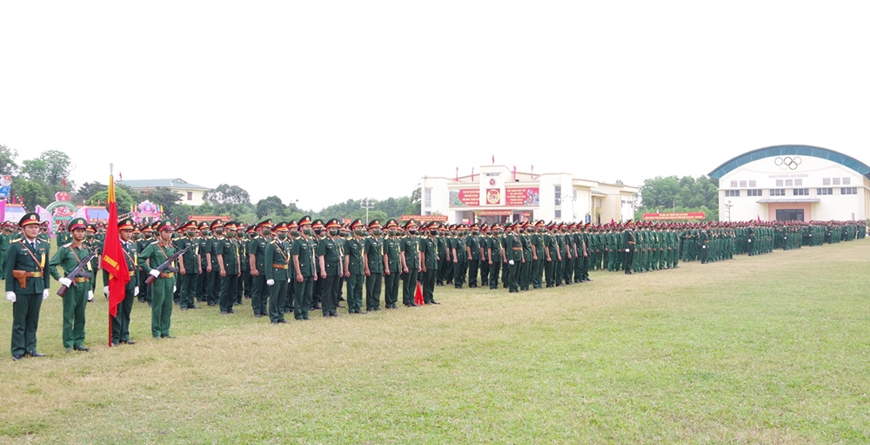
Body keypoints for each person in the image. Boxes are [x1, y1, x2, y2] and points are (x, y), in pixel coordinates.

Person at [6, 213, 51, 360]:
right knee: (20, 320)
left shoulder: (43, 245)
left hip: (37, 286)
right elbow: (9, 269)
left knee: (33, 319)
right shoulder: (15, 246)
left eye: (36, 227)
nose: (34, 230)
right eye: (30, 227)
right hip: (21, 287)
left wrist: (46, 286)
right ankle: (18, 350)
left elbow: (46, 267)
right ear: (23, 229)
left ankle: (31, 348)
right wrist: (9, 290)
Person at [48, 217, 94, 352]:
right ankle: (68, 343)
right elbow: (51, 265)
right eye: (78, 231)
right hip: (71, 285)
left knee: (81, 315)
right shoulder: (65, 249)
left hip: (84, 285)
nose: (80, 233)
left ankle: (79, 341)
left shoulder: (87, 249)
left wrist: (90, 288)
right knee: (68, 315)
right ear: (72, 232)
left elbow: (89, 270)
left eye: (82, 231)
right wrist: (60, 279)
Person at [138, 221, 179, 339]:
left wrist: (175, 282)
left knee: (168, 307)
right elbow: (141, 259)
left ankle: (165, 331)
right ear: (160, 232)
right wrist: (150, 270)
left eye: (170, 232)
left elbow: (173, 264)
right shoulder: (153, 246)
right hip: (159, 280)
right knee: (157, 306)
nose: (168, 234)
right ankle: (156, 332)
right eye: (166, 232)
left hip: (170, 279)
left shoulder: (172, 247)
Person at [105, 218, 139, 345]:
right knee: (117, 309)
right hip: (118, 281)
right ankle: (115, 337)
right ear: (119, 231)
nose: (129, 234)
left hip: (130, 280)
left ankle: (125, 335)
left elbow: (136, 265)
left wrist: (137, 284)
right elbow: (107, 265)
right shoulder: (114, 246)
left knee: (127, 309)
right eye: (126, 231)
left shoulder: (132, 245)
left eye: (130, 231)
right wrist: (105, 284)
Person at [292, 216, 318, 320]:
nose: (309, 228)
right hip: (302, 271)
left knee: (308, 294)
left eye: (310, 226)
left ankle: (305, 312)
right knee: (299, 294)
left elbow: (312, 257)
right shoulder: (297, 241)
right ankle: (298, 314)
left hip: (310, 271)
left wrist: (315, 271)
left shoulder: (311, 241)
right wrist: (298, 273)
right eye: (307, 226)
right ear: (301, 228)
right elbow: (295, 258)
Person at [265, 221, 290, 324]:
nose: (284, 233)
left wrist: (288, 275)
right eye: (282, 231)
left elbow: (287, 261)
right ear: (276, 232)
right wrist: (269, 277)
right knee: (274, 297)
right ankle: (274, 317)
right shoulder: (271, 245)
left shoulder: (286, 244)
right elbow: (268, 262)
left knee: (282, 297)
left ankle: (280, 316)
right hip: (275, 274)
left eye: (285, 231)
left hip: (284, 273)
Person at [217, 221, 242, 315]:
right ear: (226, 230)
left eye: (234, 231)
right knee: (225, 289)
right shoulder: (222, 241)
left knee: (233, 289)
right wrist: (222, 268)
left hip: (234, 268)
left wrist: (239, 268)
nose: (233, 232)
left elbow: (237, 256)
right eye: (231, 230)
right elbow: (219, 255)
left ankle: (229, 307)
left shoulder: (235, 242)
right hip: (226, 268)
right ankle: (223, 307)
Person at [175, 221, 201, 310]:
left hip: (194, 267)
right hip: (186, 266)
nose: (192, 231)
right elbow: (180, 254)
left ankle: (191, 303)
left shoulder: (196, 241)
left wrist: (199, 266)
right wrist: (181, 267)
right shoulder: (182, 241)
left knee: (192, 287)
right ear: (186, 230)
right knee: (184, 287)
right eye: (190, 229)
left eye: (194, 229)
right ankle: (183, 304)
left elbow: (198, 254)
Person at [248, 219, 271, 318]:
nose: (268, 230)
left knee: (265, 291)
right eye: (266, 228)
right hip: (259, 269)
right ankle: (256, 310)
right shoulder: (256, 240)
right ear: (261, 228)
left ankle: (263, 309)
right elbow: (252, 255)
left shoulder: (269, 240)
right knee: (257, 290)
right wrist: (253, 268)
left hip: (267, 269)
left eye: (270, 228)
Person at [344, 219, 366, 314]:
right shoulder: (349, 241)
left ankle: (358, 306)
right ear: (353, 229)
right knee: (351, 288)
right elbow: (347, 256)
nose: (360, 229)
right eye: (358, 227)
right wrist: (346, 269)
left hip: (360, 268)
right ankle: (352, 308)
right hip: (352, 268)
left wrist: (365, 267)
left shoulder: (362, 241)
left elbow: (362, 255)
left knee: (359, 288)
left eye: (361, 227)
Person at [363, 219, 384, 311]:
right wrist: (366, 268)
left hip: (379, 267)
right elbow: (365, 254)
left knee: (378, 287)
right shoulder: (368, 240)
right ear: (371, 230)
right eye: (375, 228)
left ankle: (376, 304)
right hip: (371, 267)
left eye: (378, 227)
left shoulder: (380, 240)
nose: (377, 229)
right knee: (370, 288)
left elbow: (381, 254)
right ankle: (370, 306)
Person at [381, 219, 402, 309]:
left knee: (396, 285)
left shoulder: (397, 240)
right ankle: (389, 302)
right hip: (390, 265)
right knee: (389, 285)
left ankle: (394, 301)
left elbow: (399, 254)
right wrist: (386, 267)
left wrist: (400, 265)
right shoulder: (386, 241)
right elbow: (385, 254)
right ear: (388, 230)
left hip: (397, 265)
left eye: (394, 228)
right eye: (391, 228)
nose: (393, 230)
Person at [400, 220, 420, 307]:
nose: (413, 229)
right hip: (408, 264)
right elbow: (402, 253)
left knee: (413, 283)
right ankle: (406, 300)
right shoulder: (404, 239)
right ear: (408, 229)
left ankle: (411, 299)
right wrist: (404, 266)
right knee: (407, 283)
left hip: (415, 263)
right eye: (411, 227)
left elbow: (418, 252)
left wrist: (419, 264)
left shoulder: (416, 239)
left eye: (414, 227)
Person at [420, 222, 440, 304]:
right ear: (428, 230)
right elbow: (423, 253)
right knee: (427, 282)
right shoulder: (424, 240)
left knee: (432, 282)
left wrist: (436, 256)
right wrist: (423, 265)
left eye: (435, 229)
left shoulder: (435, 240)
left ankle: (431, 297)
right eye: (433, 229)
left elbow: (435, 251)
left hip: (434, 263)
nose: (434, 230)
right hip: (427, 263)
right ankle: (426, 298)